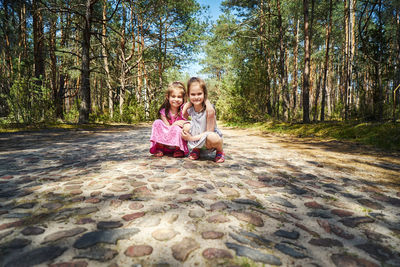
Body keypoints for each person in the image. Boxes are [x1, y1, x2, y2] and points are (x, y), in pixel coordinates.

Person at [181, 77, 225, 163]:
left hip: (208, 142)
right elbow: (183, 117)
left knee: (212, 136)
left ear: (204, 94)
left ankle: (220, 151)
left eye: (199, 94)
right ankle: (196, 149)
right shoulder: (191, 108)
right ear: (188, 95)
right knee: (186, 126)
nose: (196, 97)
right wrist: (186, 106)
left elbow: (209, 131)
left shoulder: (209, 110)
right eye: (193, 94)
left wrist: (191, 138)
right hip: (197, 141)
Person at [149, 81, 189, 158]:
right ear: (168, 97)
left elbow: (186, 124)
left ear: (183, 98)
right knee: (157, 122)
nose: (176, 99)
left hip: (177, 143)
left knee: (178, 128)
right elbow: (167, 128)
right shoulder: (164, 112)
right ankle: (160, 148)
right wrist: (174, 124)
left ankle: (179, 149)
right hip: (165, 143)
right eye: (173, 96)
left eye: (179, 97)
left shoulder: (184, 111)